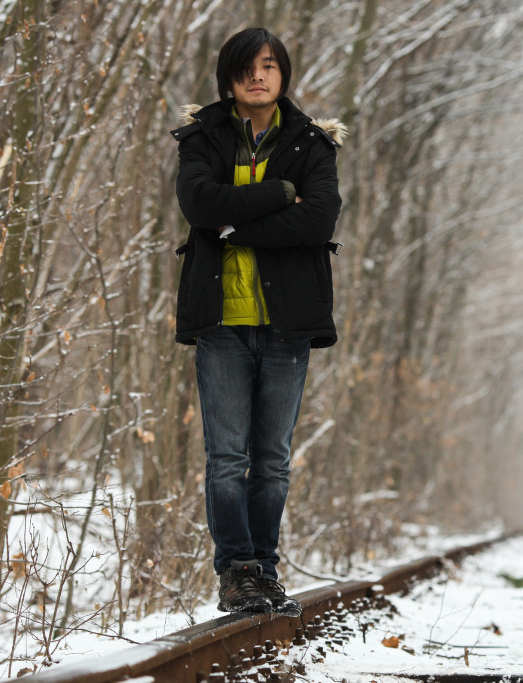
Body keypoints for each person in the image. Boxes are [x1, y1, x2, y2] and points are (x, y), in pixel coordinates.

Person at [170, 27, 345, 616]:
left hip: (288, 322)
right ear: (229, 75)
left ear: (284, 75)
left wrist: (233, 224)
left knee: (271, 459)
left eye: (270, 65)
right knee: (226, 458)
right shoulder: (201, 137)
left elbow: (318, 221)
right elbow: (198, 204)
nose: (258, 76)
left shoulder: (313, 142)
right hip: (220, 319)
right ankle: (237, 572)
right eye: (247, 66)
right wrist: (278, 194)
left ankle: (265, 570)